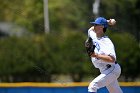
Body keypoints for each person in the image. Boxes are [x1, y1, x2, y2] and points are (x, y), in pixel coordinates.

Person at [87, 17, 123, 93]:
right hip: (105, 70)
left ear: (101, 27)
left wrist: (96, 55)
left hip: (112, 69)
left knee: (92, 86)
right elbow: (90, 29)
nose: (94, 26)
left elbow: (112, 59)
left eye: (96, 25)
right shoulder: (94, 36)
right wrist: (107, 22)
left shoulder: (107, 42)